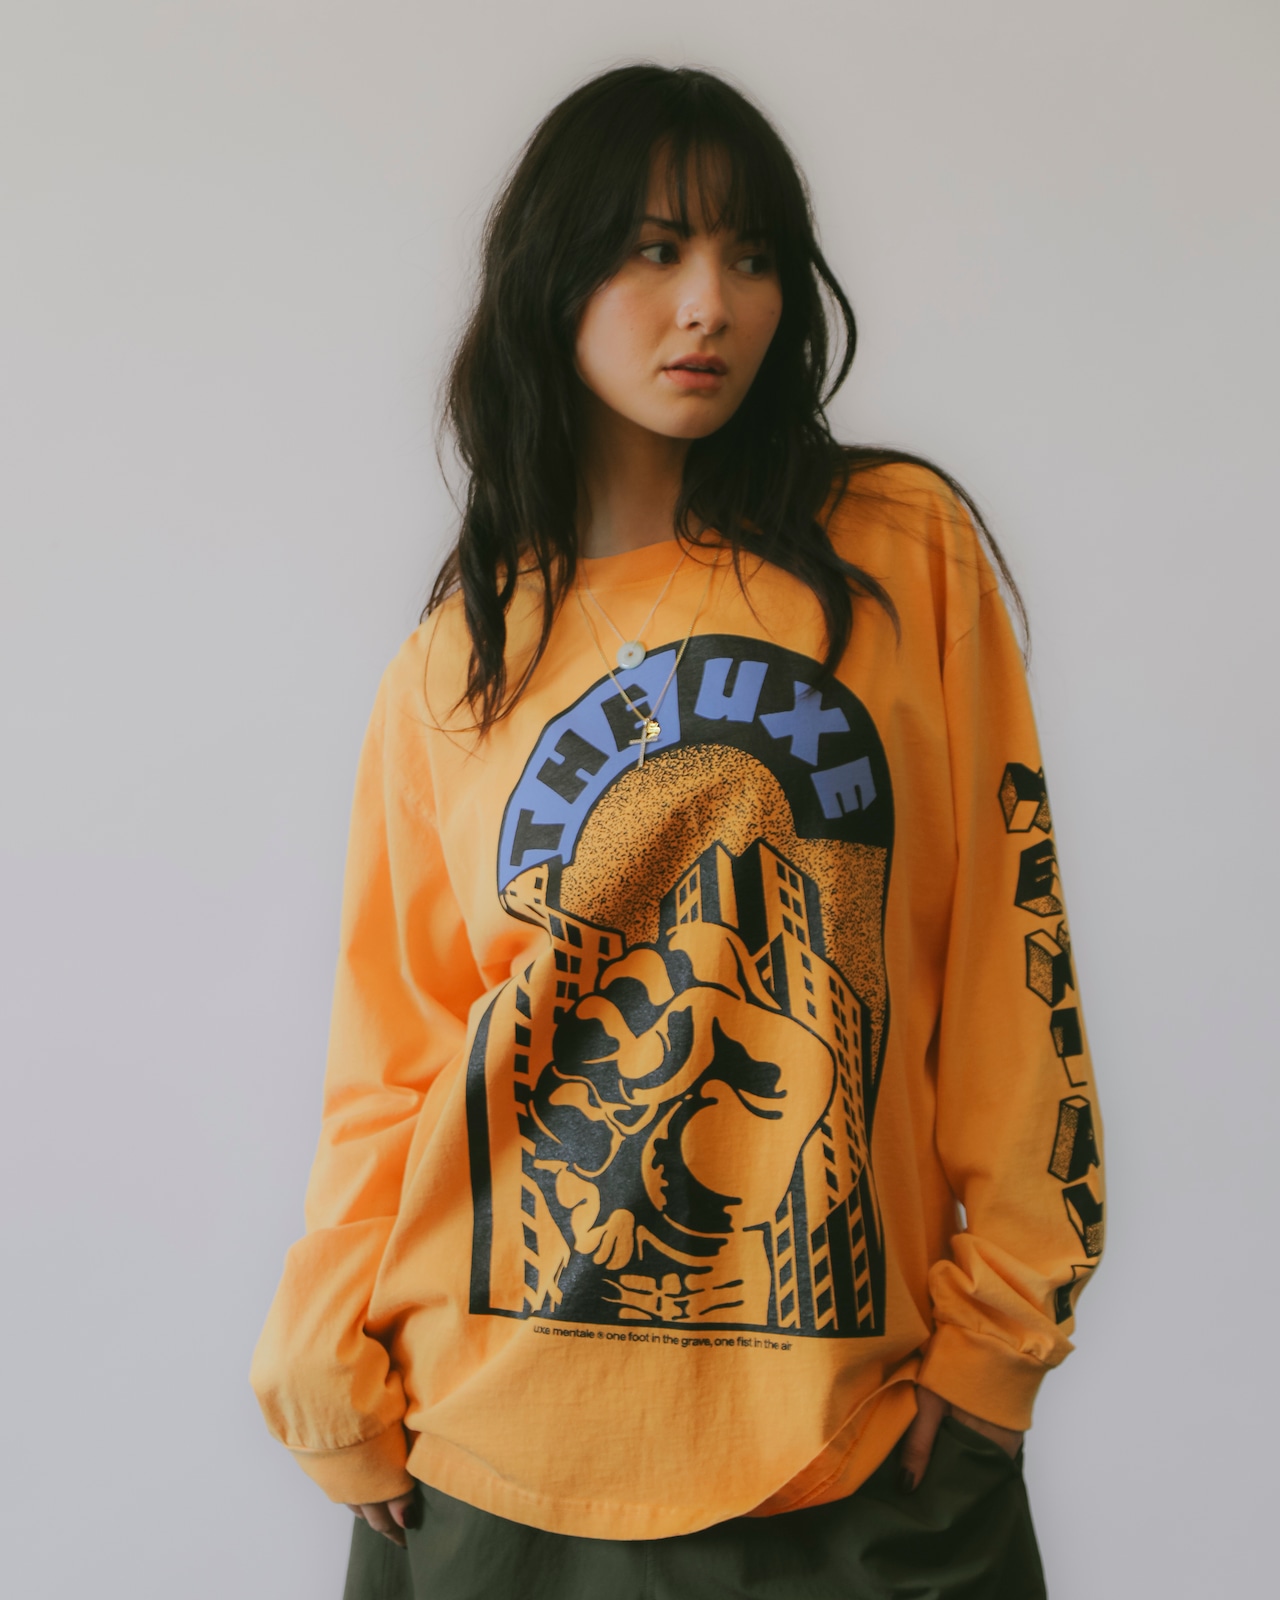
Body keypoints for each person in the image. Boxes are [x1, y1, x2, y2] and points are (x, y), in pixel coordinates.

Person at [251, 63, 1105, 1600]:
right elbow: (396, 1059)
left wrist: (999, 1343)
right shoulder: (457, 660)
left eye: (751, 255)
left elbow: (1009, 950)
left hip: (850, 1445)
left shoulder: (896, 553)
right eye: (655, 250)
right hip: (490, 1455)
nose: (710, 302)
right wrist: (326, 1364)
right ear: (554, 275)